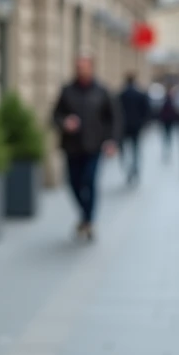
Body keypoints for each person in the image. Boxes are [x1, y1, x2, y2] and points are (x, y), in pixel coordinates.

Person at [52, 54, 119, 239]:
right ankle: (85, 216)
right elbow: (55, 115)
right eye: (78, 67)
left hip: (94, 146)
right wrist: (65, 122)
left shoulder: (102, 91)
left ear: (91, 68)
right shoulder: (67, 91)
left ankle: (89, 220)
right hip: (72, 146)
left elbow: (113, 118)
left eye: (84, 67)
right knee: (73, 183)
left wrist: (112, 141)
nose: (81, 70)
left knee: (89, 181)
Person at [117, 73, 150, 185]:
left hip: (124, 127)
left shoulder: (121, 94)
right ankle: (135, 169)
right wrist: (143, 123)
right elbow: (146, 111)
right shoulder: (140, 94)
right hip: (136, 126)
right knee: (135, 150)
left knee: (125, 150)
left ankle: (129, 170)